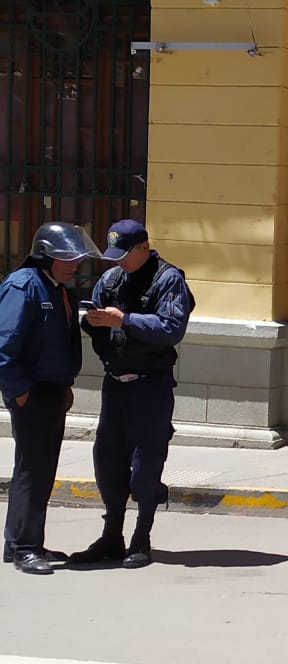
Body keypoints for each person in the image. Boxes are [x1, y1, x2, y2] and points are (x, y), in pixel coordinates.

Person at [70, 219, 195, 569]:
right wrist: (91, 321)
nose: (119, 263)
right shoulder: (111, 279)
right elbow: (94, 315)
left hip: (150, 385)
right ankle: (112, 535)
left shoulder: (168, 279)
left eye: (125, 255)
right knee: (108, 462)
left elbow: (171, 328)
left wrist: (123, 320)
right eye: (114, 256)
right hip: (115, 385)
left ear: (144, 247)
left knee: (145, 465)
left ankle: (142, 536)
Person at [0, 223, 101, 574]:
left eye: (76, 257)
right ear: (44, 253)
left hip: (52, 390)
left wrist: (65, 384)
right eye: (65, 257)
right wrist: (19, 392)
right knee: (33, 470)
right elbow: (5, 347)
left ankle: (20, 543)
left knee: (38, 471)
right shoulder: (23, 286)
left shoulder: (59, 289)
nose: (73, 263)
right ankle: (26, 548)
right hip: (33, 393)